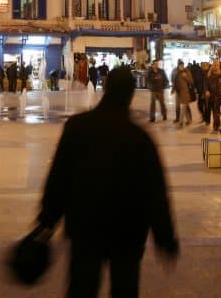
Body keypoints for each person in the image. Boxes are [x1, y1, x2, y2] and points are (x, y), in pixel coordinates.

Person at [35, 66, 179, 296]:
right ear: (131, 94)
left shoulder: (78, 128)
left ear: (104, 88)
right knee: (125, 289)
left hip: (85, 228)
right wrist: (165, 237)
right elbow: (155, 192)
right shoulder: (139, 139)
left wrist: (47, 220)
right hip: (127, 233)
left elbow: (59, 177)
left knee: (82, 288)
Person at [171, 62, 194, 127]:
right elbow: (174, 82)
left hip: (185, 92)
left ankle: (180, 122)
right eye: (180, 66)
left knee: (183, 107)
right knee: (184, 107)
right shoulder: (177, 73)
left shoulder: (187, 72)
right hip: (178, 93)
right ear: (178, 66)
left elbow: (191, 81)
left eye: (182, 65)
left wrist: (185, 77)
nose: (181, 67)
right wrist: (173, 90)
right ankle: (189, 120)